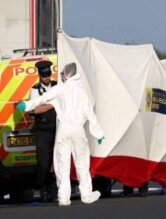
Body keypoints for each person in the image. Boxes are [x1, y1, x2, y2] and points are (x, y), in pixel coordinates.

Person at [17, 62, 105, 206]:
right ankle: (87, 195)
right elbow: (90, 113)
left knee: (62, 164)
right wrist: (98, 133)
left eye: (63, 73)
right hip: (78, 130)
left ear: (67, 75)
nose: (61, 76)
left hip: (63, 130)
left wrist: (26, 105)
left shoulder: (59, 89)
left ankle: (63, 198)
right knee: (81, 162)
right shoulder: (81, 92)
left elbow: (41, 98)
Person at [30, 60, 57, 202]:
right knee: (44, 163)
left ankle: (53, 190)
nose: (46, 78)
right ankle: (40, 185)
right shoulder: (35, 89)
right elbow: (36, 109)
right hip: (42, 131)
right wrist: (52, 104)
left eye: (48, 74)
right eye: (44, 75)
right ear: (39, 75)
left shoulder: (57, 85)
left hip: (57, 128)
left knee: (57, 161)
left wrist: (46, 105)